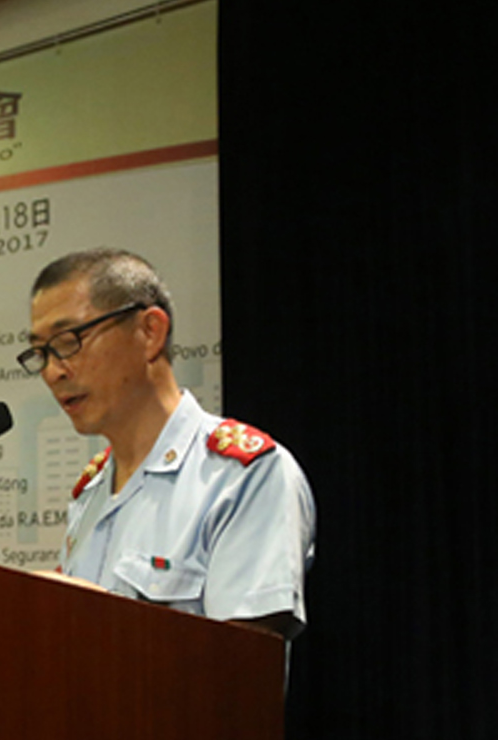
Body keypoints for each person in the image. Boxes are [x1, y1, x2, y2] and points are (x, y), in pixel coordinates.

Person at [22, 249, 315, 637]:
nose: (52, 372)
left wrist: (97, 614)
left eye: (67, 342)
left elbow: (243, 663)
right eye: (40, 353)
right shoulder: (91, 492)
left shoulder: (241, 478)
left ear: (150, 332)